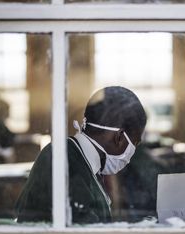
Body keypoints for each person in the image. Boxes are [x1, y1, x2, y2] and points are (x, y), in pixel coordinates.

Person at [16, 86, 147, 224]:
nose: (132, 152)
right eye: (135, 143)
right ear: (119, 137)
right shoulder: (64, 163)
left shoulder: (81, 160)